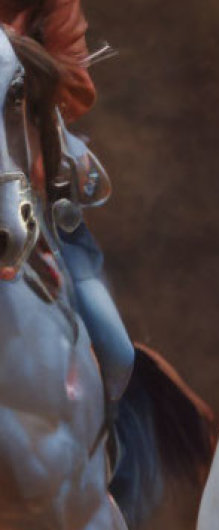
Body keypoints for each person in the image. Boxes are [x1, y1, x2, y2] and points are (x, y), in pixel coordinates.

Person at [1, 0, 134, 411]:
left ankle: (111, 457)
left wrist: (13, 53)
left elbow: (75, 87)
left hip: (21, 172)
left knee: (116, 352)